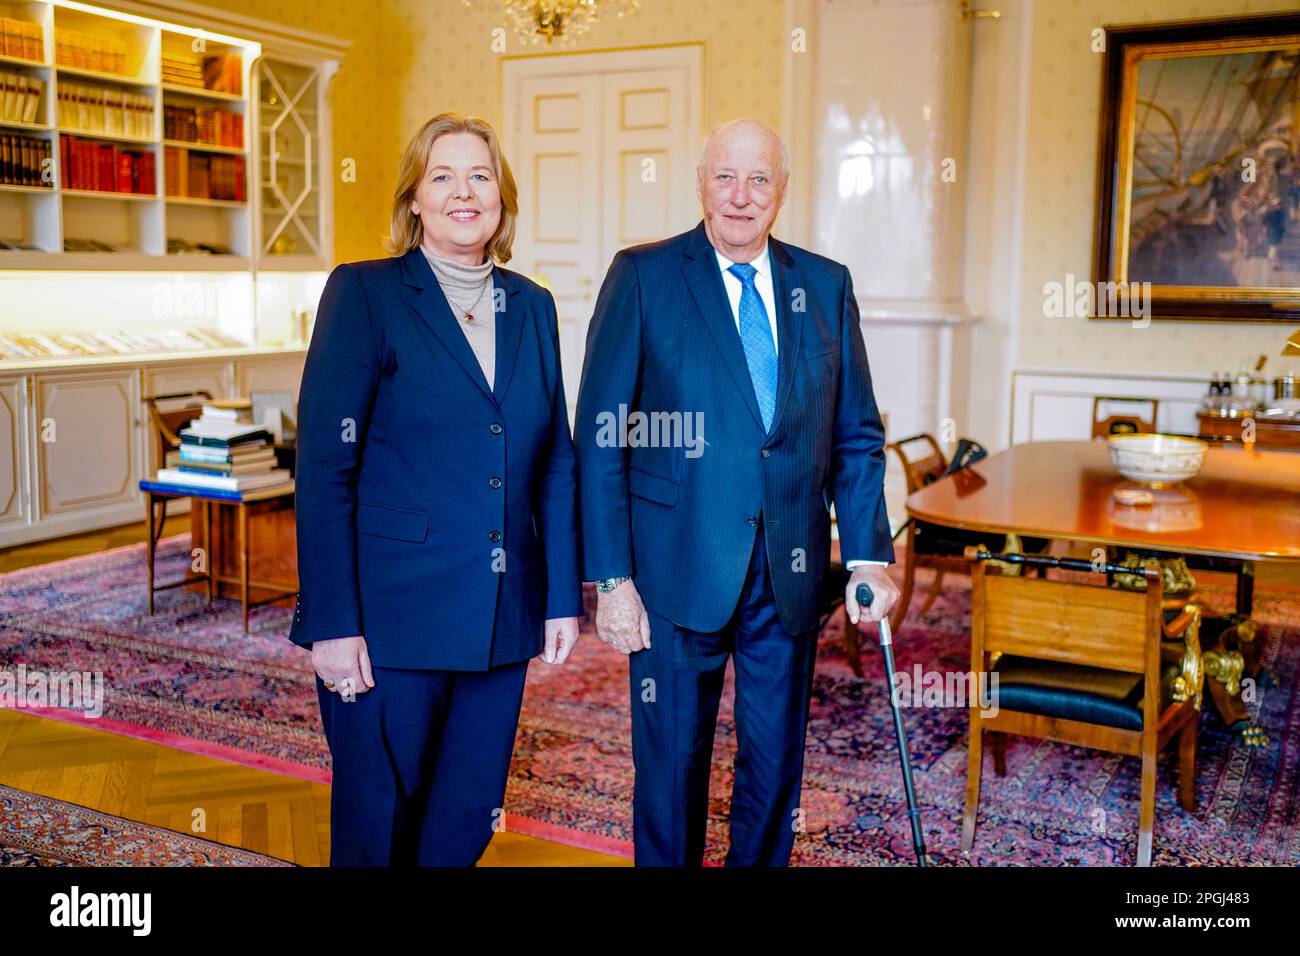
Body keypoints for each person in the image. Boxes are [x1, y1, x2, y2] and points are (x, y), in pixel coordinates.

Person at [575, 117, 900, 866]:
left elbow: (855, 433)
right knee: (670, 771)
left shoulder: (824, 285)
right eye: (726, 176)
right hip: (672, 570)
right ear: (700, 183)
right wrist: (613, 578)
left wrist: (867, 559)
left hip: (788, 575)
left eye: (759, 180)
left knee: (775, 765)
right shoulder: (645, 276)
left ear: (781, 192)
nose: (741, 196)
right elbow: (600, 438)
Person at [289, 112, 581, 866]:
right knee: (378, 820)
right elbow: (324, 470)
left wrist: (558, 597)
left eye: (480, 176)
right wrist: (332, 623)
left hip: (501, 616)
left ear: (501, 197)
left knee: (464, 821)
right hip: (388, 622)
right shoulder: (364, 294)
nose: (463, 192)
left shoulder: (534, 306)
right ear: (413, 197)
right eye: (442, 176)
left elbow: (554, 459)